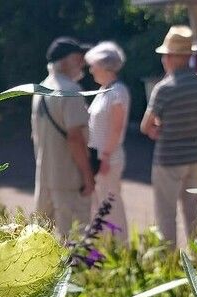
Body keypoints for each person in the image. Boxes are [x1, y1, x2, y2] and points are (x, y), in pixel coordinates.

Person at [140, 26, 197, 246]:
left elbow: (145, 126)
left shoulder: (164, 88)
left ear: (171, 57)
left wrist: (158, 128)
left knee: (166, 213)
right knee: (192, 209)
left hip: (169, 158)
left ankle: (169, 263)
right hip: (196, 155)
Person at [32, 37, 95, 237]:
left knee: (45, 242)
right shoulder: (70, 91)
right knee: (75, 242)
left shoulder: (40, 89)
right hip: (69, 180)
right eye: (78, 58)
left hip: (45, 177)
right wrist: (87, 176)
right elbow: (75, 138)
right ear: (65, 61)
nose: (82, 63)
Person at [85, 41, 130, 241]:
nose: (91, 69)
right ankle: (103, 251)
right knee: (100, 206)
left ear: (104, 66)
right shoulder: (105, 90)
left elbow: (116, 127)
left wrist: (105, 157)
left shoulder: (117, 91)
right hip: (99, 157)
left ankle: (120, 249)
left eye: (93, 65)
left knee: (111, 206)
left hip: (108, 159)